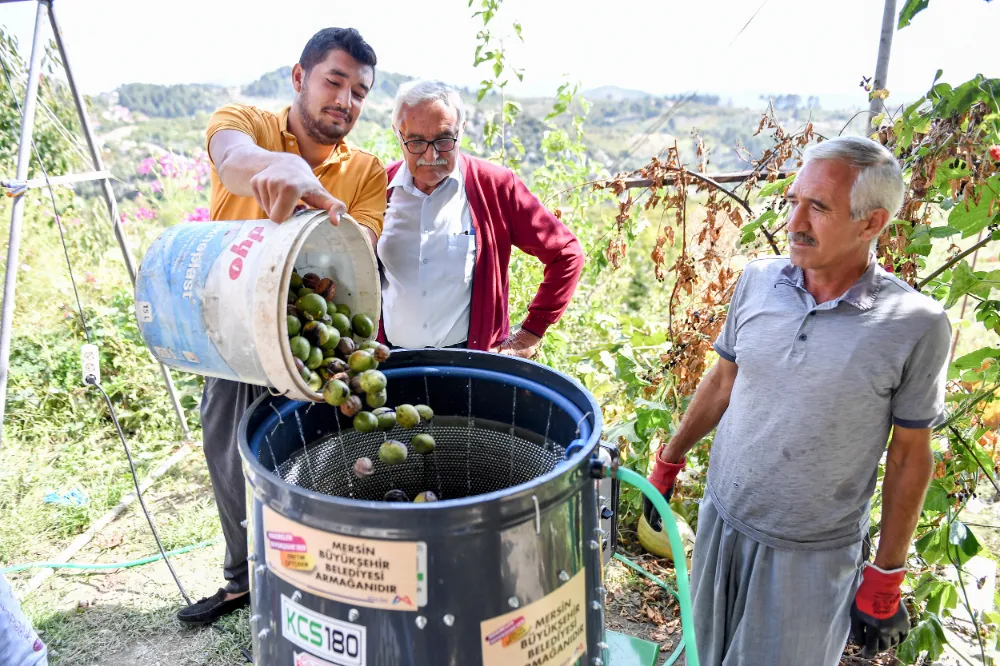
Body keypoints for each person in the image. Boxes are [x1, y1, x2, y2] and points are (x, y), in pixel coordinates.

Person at [643, 136, 951, 665]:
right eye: (795, 201)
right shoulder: (760, 281)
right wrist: (667, 464)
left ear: (871, 223)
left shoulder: (914, 325)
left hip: (811, 553)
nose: (795, 222)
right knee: (702, 655)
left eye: (819, 207)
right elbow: (722, 381)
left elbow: (908, 456)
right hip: (723, 519)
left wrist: (886, 574)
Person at [178, 27, 387, 625]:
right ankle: (242, 580)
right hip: (233, 337)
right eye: (335, 81)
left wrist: (315, 204)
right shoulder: (245, 122)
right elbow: (235, 159)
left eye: (360, 92)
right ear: (300, 78)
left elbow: (359, 248)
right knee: (227, 456)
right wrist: (277, 168)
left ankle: (315, 580)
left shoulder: (367, 171)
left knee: (318, 461)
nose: (346, 101)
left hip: (312, 342)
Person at [374, 80, 584, 356]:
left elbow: (566, 253)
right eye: (415, 141)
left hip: (473, 363)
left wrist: (531, 332)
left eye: (444, 140)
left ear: (461, 131)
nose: (431, 154)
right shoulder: (377, 188)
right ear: (397, 134)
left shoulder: (495, 186)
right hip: (393, 362)